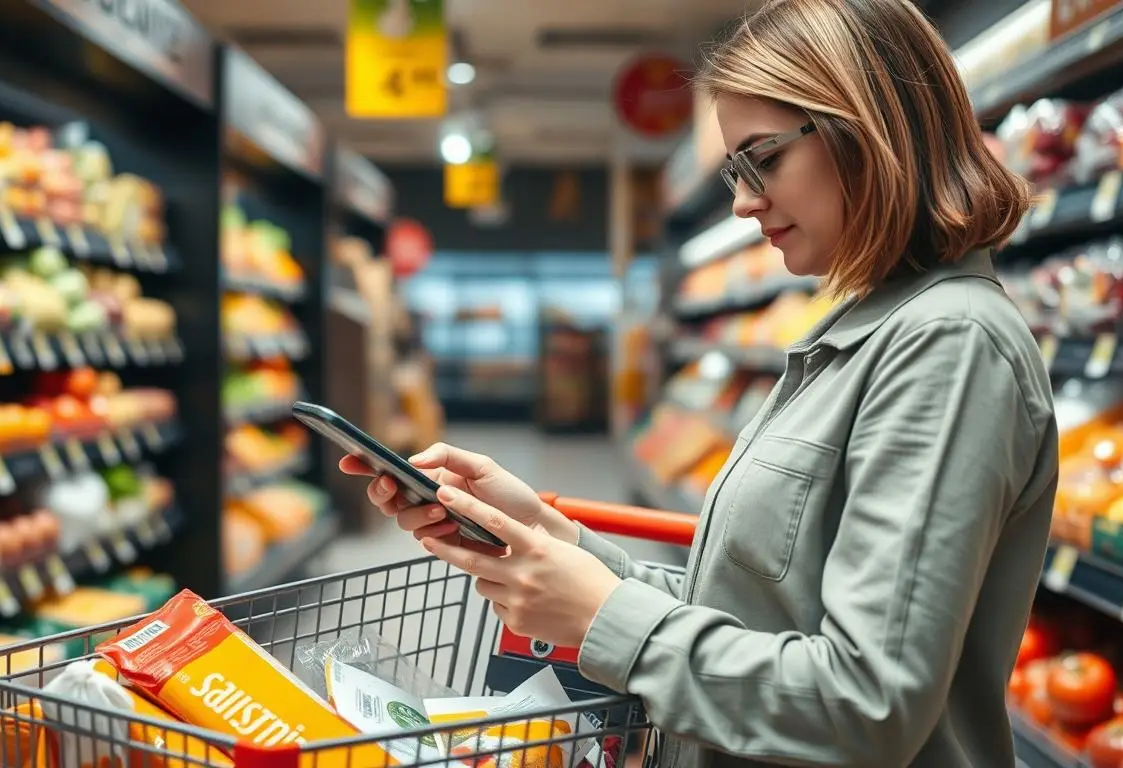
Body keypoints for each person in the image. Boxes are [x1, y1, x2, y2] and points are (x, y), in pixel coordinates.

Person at [342, 0, 1058, 764]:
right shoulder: (863, 331)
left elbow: (866, 703)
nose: (743, 201)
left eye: (763, 159)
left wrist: (604, 616)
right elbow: (750, 613)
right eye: (734, 172)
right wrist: (555, 540)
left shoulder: (949, 345)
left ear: (867, 127)